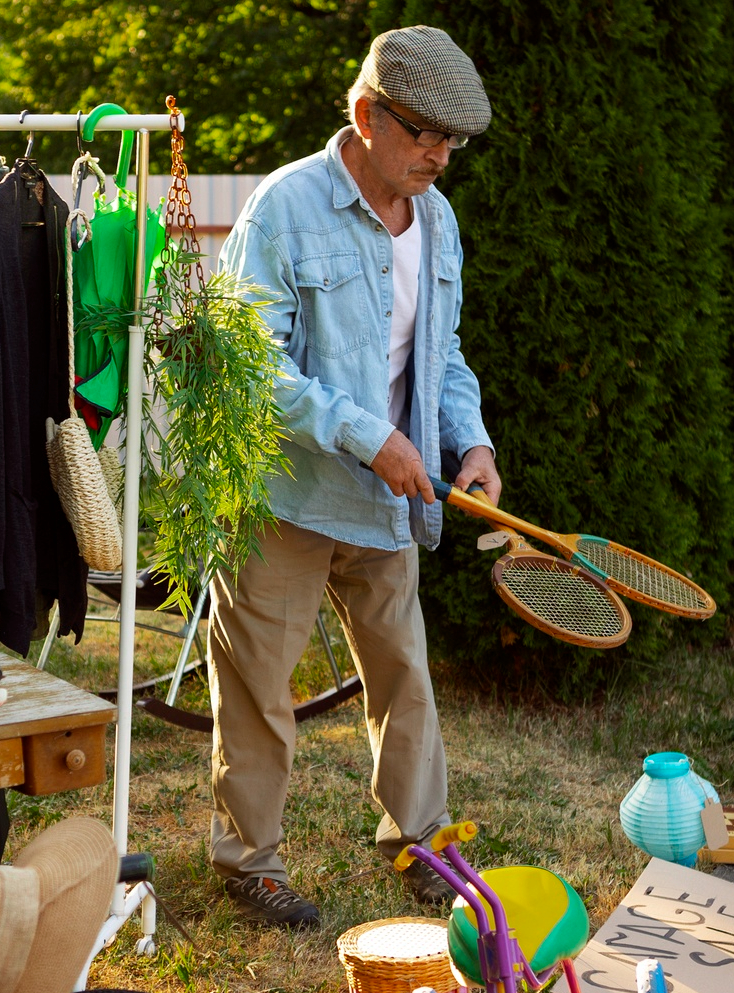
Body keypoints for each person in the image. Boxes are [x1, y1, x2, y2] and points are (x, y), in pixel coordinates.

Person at [210, 26, 500, 928]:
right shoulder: (283, 208)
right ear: (367, 114)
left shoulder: (438, 221)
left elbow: (443, 353)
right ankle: (250, 863)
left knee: (405, 676)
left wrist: (473, 444)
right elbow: (249, 366)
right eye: (423, 133)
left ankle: (421, 844)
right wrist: (369, 436)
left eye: (453, 140)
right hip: (283, 496)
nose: (439, 156)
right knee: (258, 688)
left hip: (387, 500)